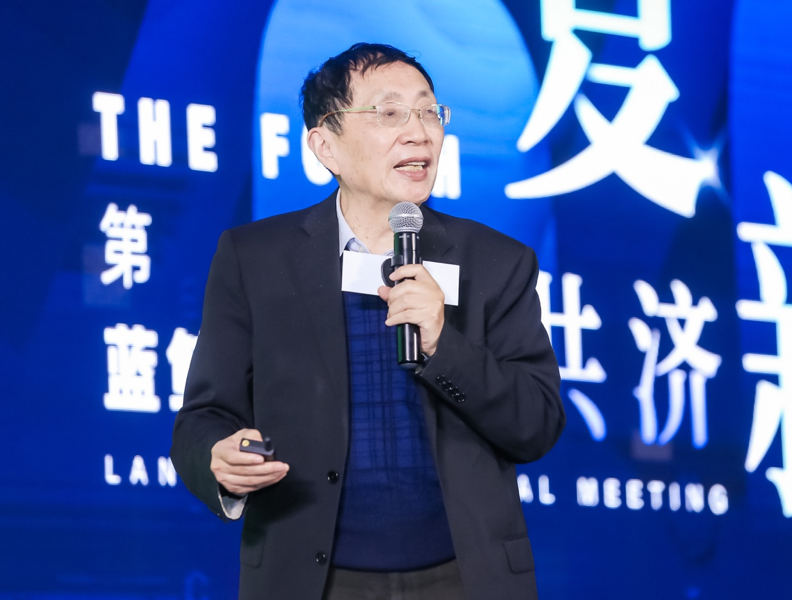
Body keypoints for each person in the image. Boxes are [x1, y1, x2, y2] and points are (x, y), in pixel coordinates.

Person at [171, 43, 564, 600]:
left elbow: (536, 424)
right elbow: (203, 417)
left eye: (429, 111)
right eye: (389, 112)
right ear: (325, 145)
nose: (419, 132)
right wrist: (220, 461)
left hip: (464, 576)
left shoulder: (496, 262)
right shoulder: (256, 259)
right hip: (312, 578)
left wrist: (442, 345)